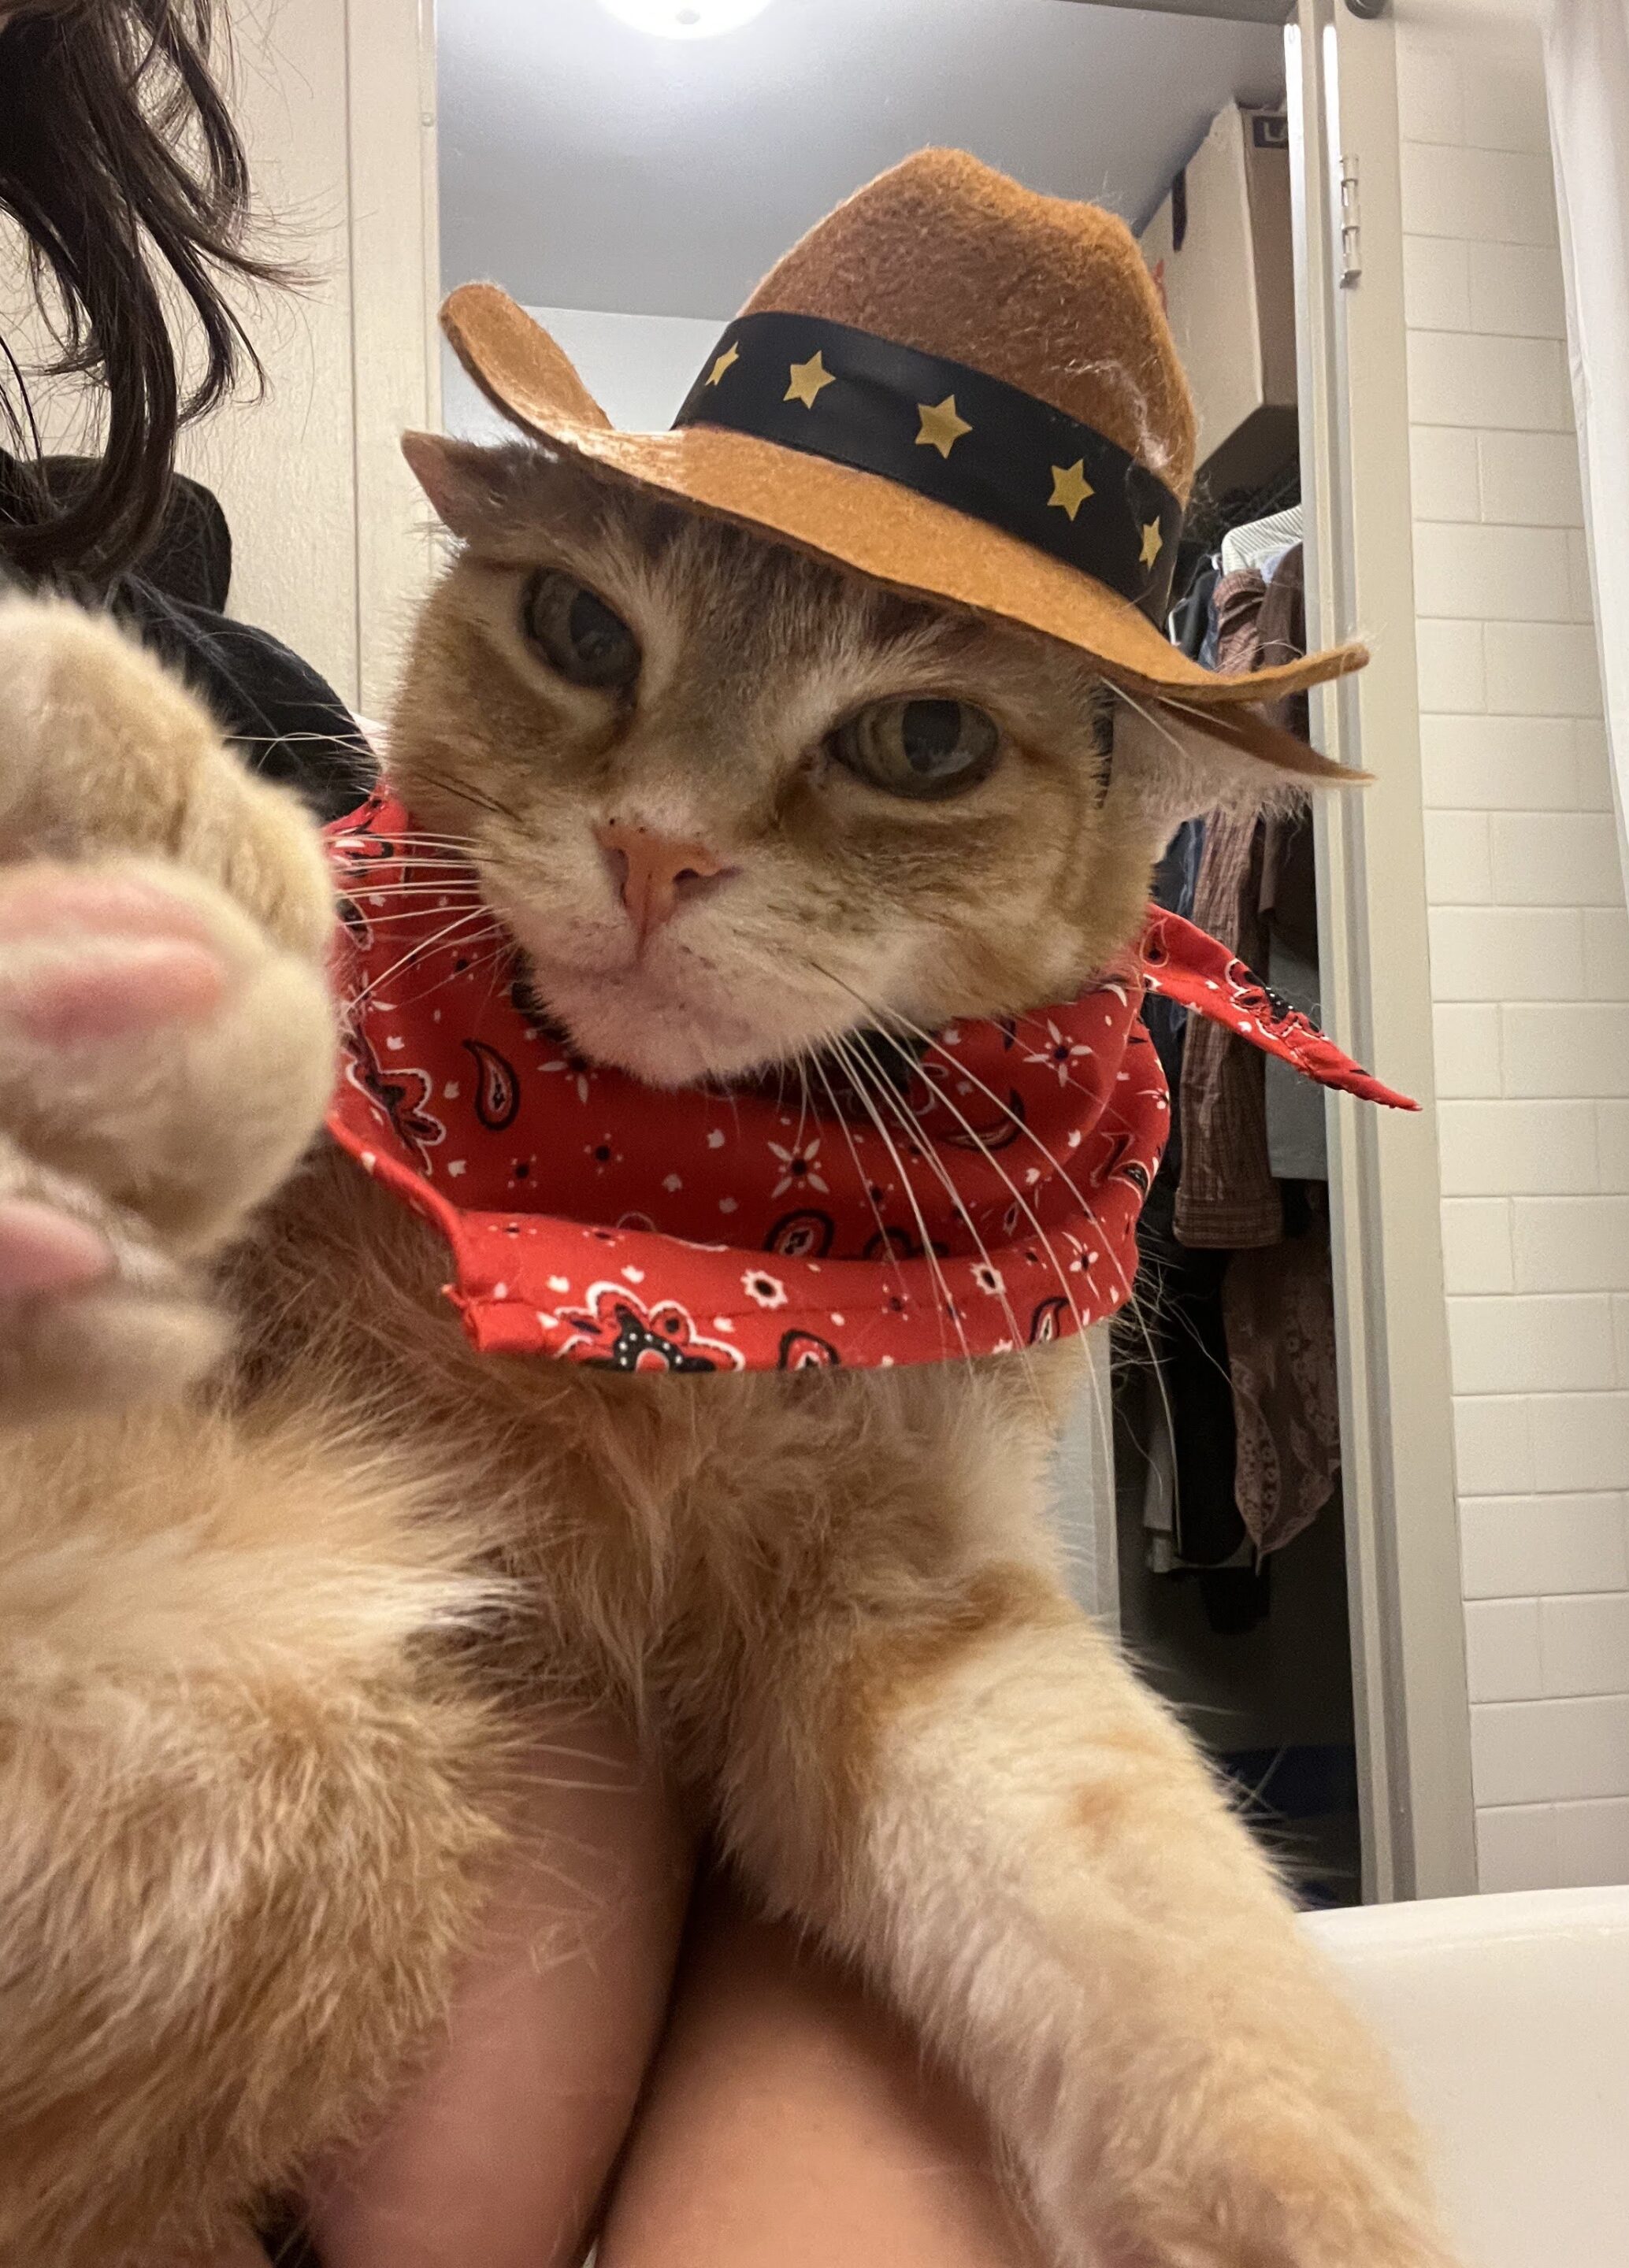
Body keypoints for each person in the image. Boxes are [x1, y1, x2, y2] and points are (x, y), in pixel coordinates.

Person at [0, 6, 1039, 2262]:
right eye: (575, 626)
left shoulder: (262, 756)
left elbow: (464, 2163)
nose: (668, 838)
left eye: (924, 743)